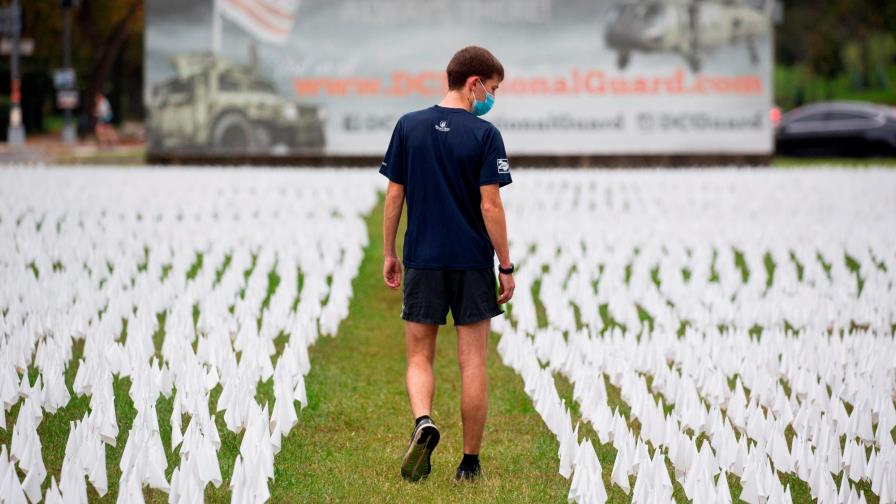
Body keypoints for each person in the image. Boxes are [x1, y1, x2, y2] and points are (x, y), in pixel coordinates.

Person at [379, 45, 515, 484]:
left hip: (423, 257)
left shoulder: (408, 126)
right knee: (472, 362)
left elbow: (394, 195)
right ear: (474, 83)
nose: (492, 98)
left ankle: (423, 421)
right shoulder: (484, 134)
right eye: (492, 89)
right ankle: (469, 464)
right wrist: (506, 265)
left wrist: (389, 252)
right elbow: (490, 205)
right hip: (472, 261)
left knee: (420, 355)